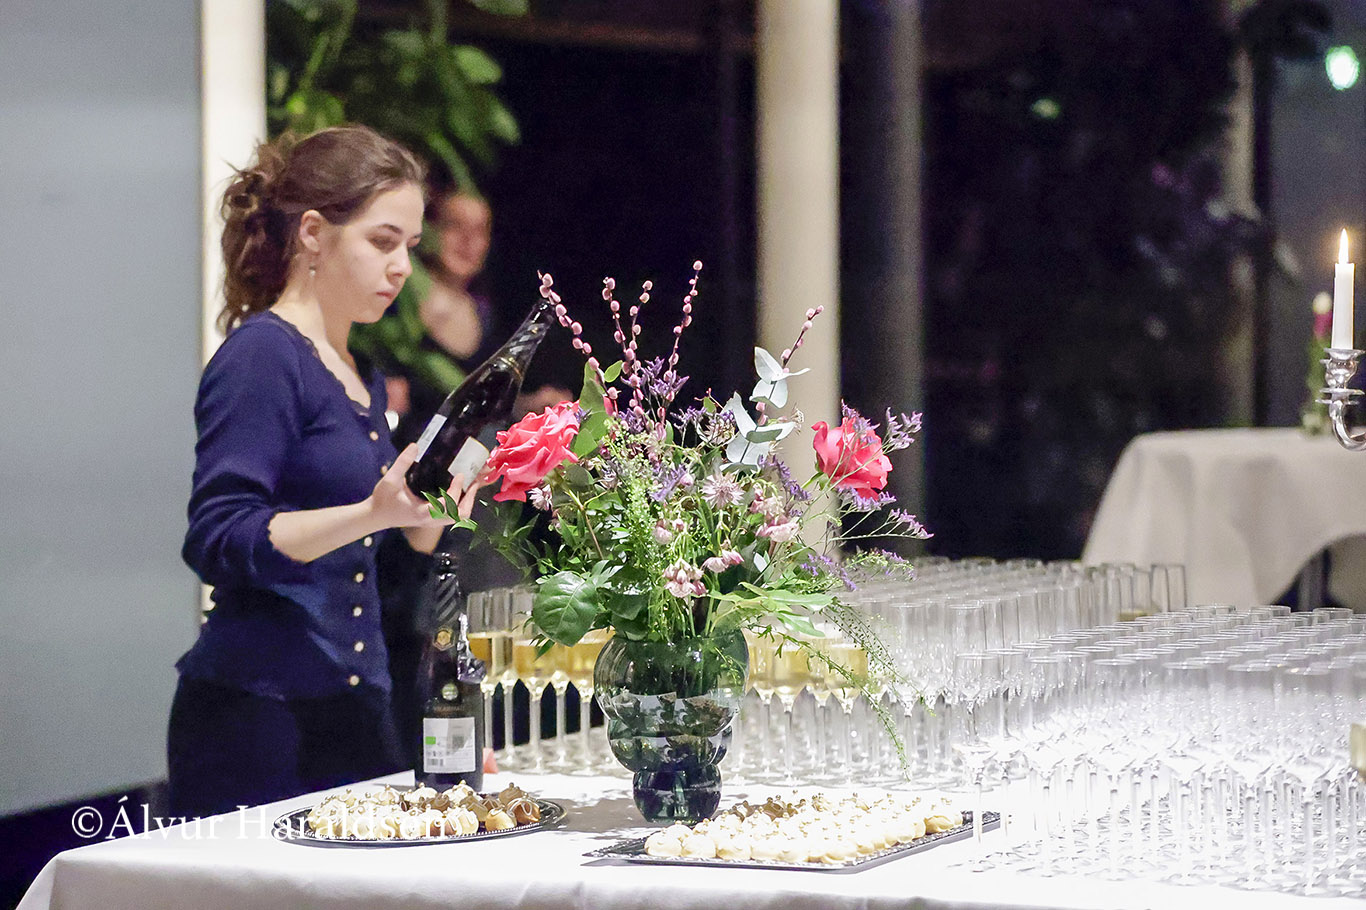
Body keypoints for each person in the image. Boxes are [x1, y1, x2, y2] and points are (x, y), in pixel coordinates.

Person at [168, 125, 480, 819]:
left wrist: (429, 515)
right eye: (383, 241)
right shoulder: (264, 355)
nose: (403, 267)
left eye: (410, 246)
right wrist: (373, 512)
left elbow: (372, 564)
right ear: (313, 233)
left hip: (352, 709)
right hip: (258, 717)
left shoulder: (360, 374)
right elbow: (218, 537)